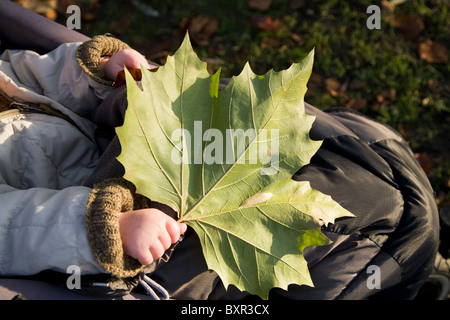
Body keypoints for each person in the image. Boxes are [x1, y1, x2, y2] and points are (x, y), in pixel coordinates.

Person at [0, 3, 441, 300]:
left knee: (349, 178)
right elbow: (10, 230)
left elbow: (31, 76)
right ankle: (409, 268)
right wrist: (106, 228)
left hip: (123, 144)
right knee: (310, 247)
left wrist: (96, 73)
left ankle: (412, 252)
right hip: (105, 241)